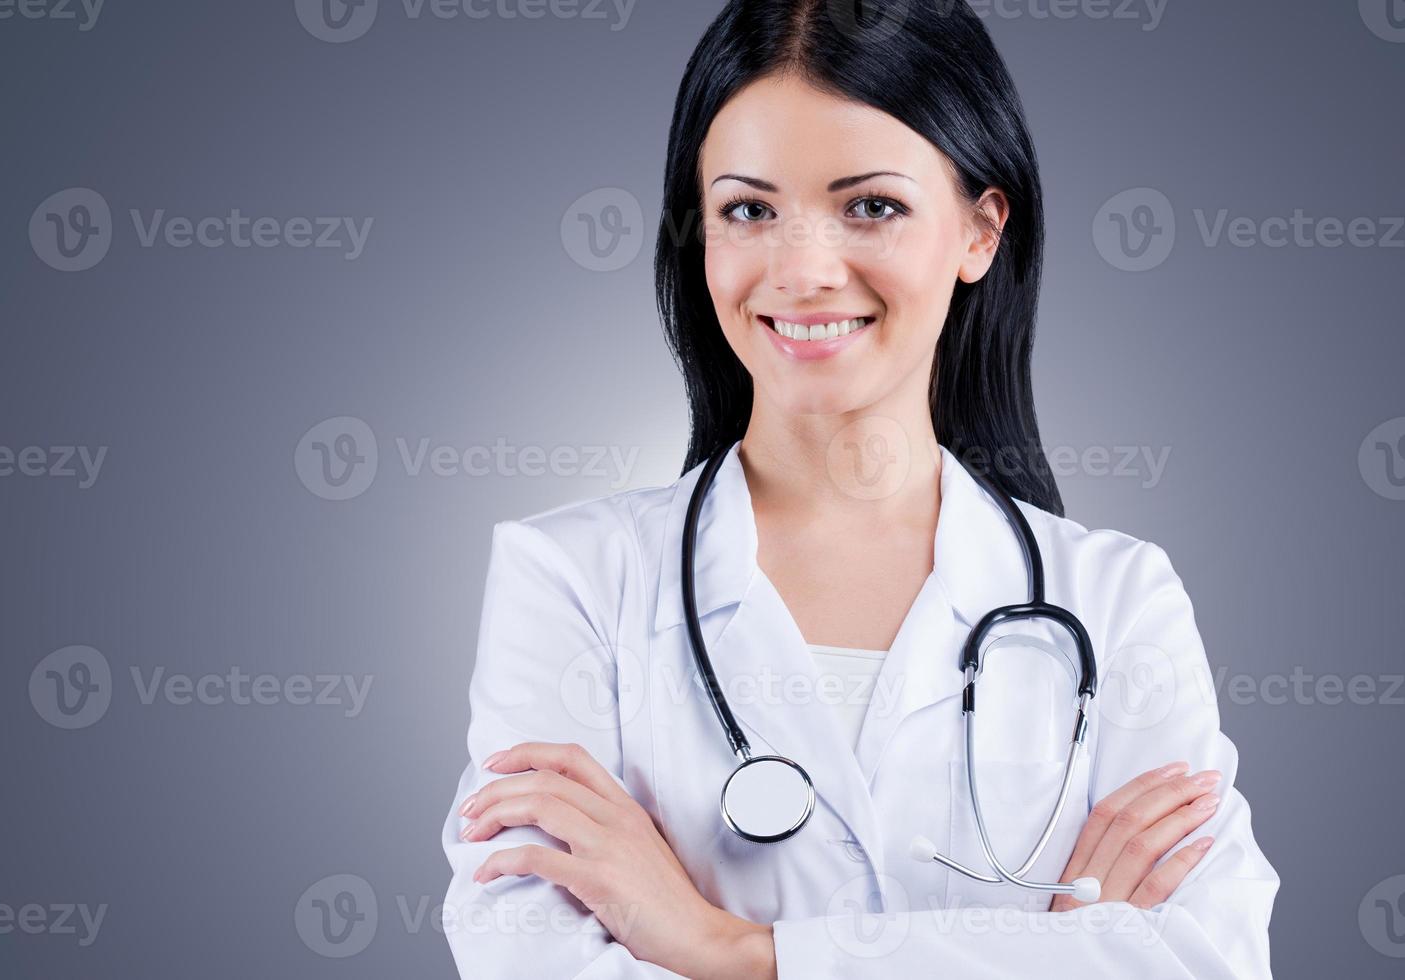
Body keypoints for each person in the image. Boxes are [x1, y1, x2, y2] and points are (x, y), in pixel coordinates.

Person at [440, 1, 1279, 976]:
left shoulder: (1115, 598)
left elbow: (1206, 958)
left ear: (977, 231)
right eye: (748, 209)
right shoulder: (572, 579)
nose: (801, 270)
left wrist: (730, 948)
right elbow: (526, 958)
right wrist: (1049, 945)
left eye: (869, 205)